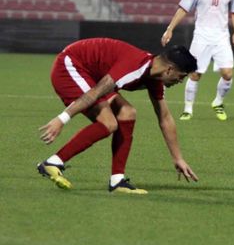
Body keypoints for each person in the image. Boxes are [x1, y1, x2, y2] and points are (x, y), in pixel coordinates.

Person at [37, 38, 199, 194]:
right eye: (182, 76)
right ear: (169, 69)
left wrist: (178, 158)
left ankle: (117, 180)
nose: (180, 81)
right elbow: (95, 92)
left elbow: (165, 118)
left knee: (127, 113)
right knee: (108, 123)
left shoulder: (154, 76)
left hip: (94, 75)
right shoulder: (134, 68)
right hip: (70, 65)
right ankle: (53, 162)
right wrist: (62, 119)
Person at [161, 0, 234, 122]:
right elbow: (183, 9)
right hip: (201, 37)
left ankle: (218, 102)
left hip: (221, 38)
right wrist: (170, 29)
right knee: (195, 74)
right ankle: (188, 109)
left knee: (227, 74)